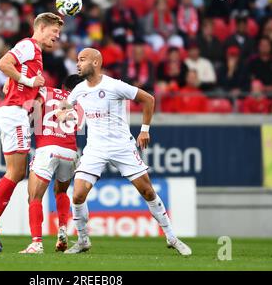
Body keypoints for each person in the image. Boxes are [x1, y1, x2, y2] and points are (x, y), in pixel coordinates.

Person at [56, 48, 192, 256]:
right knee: (78, 195)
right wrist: (63, 112)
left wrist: (144, 130)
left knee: (147, 191)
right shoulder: (79, 89)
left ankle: (172, 237)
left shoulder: (114, 85)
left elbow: (149, 99)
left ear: (95, 62)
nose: (78, 64)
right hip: (95, 149)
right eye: (77, 60)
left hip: (122, 146)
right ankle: (83, 241)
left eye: (82, 60)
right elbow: (64, 106)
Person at [0, 12, 64, 252]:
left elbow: (12, 74)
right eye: (54, 31)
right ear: (42, 27)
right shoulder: (28, 46)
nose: (57, 36)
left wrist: (16, 82)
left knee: (15, 172)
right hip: (13, 114)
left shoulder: (35, 54)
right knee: (15, 173)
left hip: (15, 113)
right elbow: (3, 63)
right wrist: (25, 80)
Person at [19, 74, 84, 254]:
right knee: (61, 191)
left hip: (47, 148)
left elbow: (32, 106)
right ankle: (62, 230)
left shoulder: (45, 91)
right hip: (70, 152)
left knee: (34, 197)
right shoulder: (80, 102)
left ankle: (37, 243)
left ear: (63, 86)